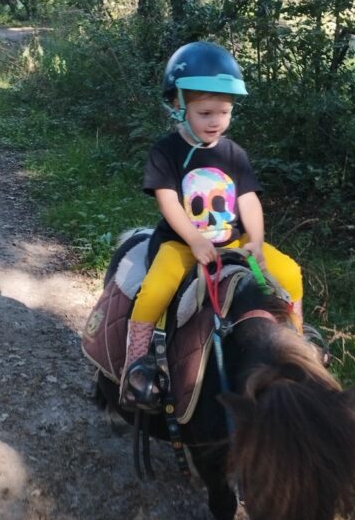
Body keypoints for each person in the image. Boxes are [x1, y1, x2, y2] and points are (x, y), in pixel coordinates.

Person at [120, 40, 304, 410]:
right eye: (205, 112)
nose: (215, 121)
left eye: (224, 112)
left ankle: (297, 350)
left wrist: (255, 239)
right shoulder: (166, 151)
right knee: (156, 287)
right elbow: (168, 199)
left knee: (290, 272)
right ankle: (136, 365)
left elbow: (248, 199)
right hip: (181, 244)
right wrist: (192, 239)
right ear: (178, 106)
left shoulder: (234, 153)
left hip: (233, 246)